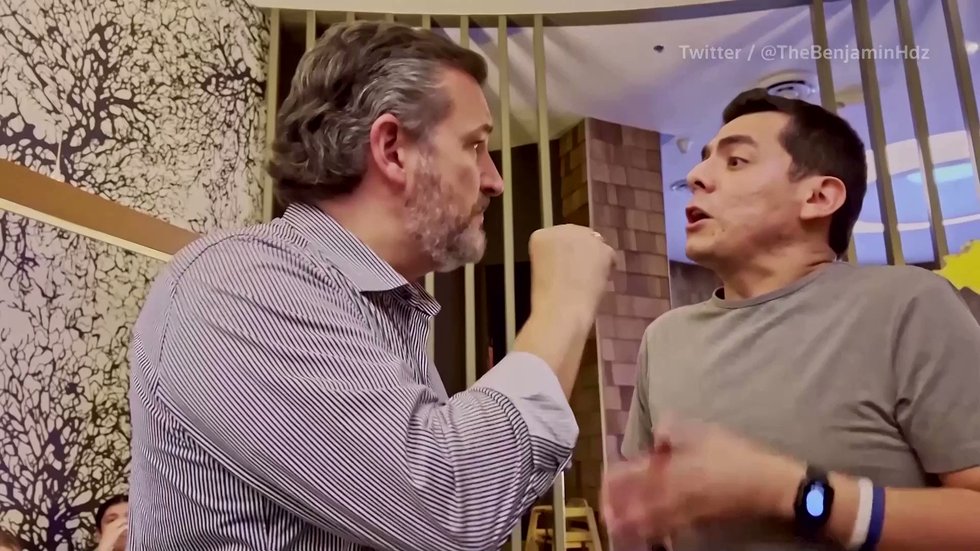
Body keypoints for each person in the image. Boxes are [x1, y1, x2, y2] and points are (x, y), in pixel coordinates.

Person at [127, 20, 614, 551]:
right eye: (474, 146)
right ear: (393, 148)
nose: (493, 180)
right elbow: (451, 506)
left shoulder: (372, 308)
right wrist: (562, 305)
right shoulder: (238, 283)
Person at [602, 88, 980, 551]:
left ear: (818, 197)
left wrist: (786, 491)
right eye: (703, 161)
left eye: (736, 161)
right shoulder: (663, 338)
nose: (696, 176)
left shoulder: (907, 305)